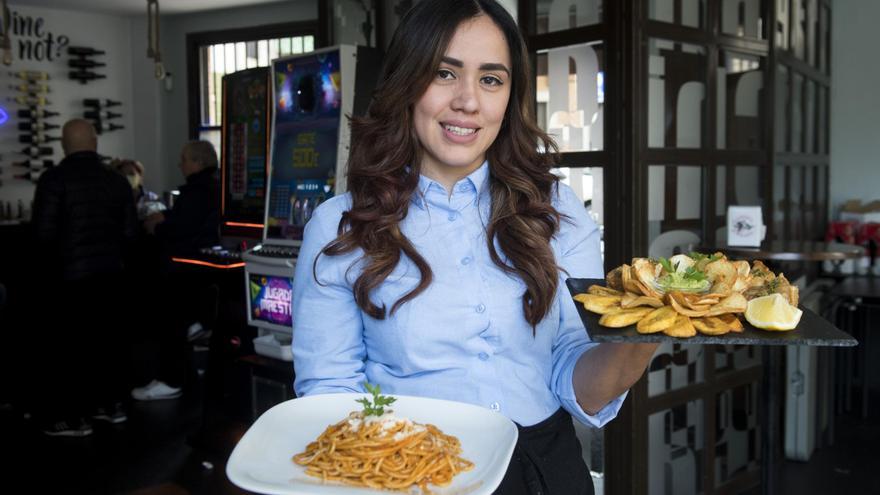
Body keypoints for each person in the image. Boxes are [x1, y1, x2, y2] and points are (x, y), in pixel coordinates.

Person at [291, 1, 660, 493]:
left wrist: (642, 338)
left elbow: (573, 375)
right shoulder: (338, 225)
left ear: (510, 97)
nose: (468, 101)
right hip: (405, 470)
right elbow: (329, 395)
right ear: (407, 82)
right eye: (444, 73)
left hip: (544, 469)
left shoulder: (557, 211)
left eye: (491, 79)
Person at [31, 119, 138, 436]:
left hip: (70, 280)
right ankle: (111, 406)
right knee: (109, 344)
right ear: (95, 142)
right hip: (112, 276)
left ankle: (75, 419)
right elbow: (131, 234)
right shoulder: (116, 181)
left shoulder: (53, 180)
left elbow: (43, 235)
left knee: (71, 350)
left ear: (64, 144)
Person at [131, 141, 220, 401]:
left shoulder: (197, 190)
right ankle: (188, 375)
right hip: (205, 268)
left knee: (170, 325)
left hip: (184, 268)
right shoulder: (216, 185)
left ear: (197, 162)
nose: (180, 164)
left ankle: (171, 380)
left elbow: (183, 229)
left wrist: (158, 227)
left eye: (184, 159)